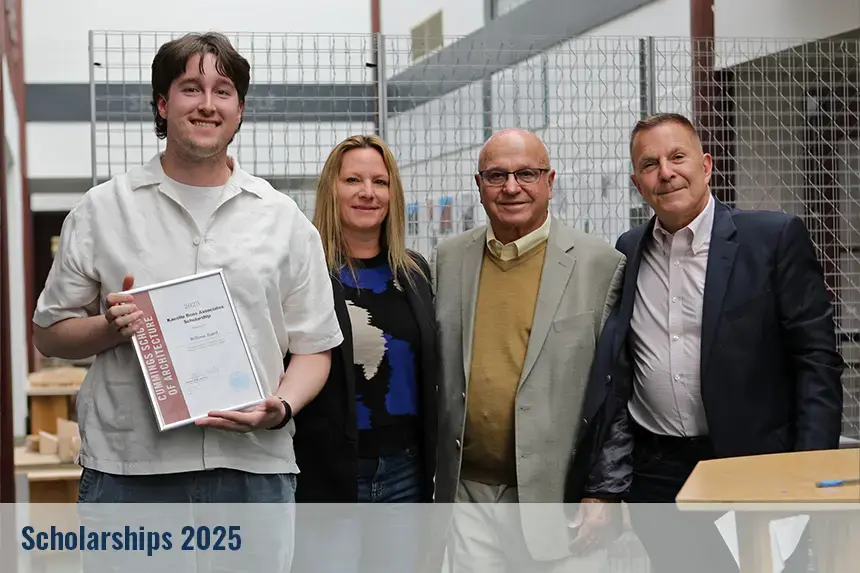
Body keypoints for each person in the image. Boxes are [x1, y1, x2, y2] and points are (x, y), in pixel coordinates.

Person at [31, 31, 343, 569]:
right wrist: (108, 328)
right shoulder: (103, 210)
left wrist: (281, 407)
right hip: (131, 472)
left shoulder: (282, 220)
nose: (206, 104)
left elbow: (315, 346)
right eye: (190, 88)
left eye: (223, 91)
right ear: (162, 103)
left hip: (252, 471)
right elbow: (49, 333)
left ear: (240, 110)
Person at [614, 112, 844, 572]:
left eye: (677, 157)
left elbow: (816, 361)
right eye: (650, 164)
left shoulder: (772, 238)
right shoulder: (627, 250)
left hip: (752, 466)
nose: (666, 172)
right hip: (657, 475)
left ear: (706, 165)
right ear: (638, 183)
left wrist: (809, 472)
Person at [433, 128, 631, 572]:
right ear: (479, 185)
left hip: (560, 503)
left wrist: (604, 492)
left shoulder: (601, 265)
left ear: (549, 181)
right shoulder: (448, 260)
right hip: (469, 498)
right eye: (496, 176)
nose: (511, 187)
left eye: (526, 174)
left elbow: (617, 394)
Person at [290, 135, 439, 573]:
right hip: (328, 474)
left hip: (404, 473)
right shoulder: (306, 272)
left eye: (380, 181)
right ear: (331, 190)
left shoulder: (415, 273)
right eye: (353, 180)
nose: (368, 193)